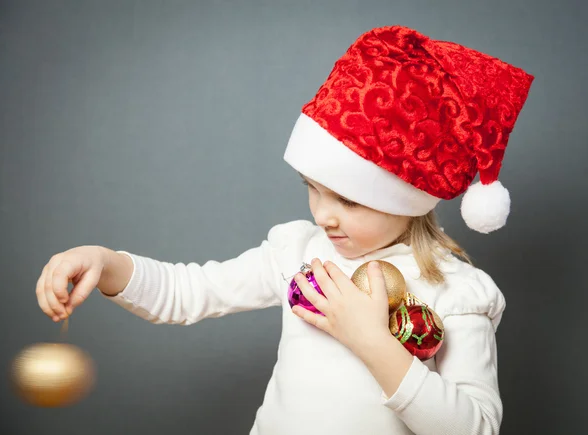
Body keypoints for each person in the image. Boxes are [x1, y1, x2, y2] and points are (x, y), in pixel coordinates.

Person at [35, 25, 534, 435]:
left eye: (349, 199)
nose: (323, 215)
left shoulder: (459, 291)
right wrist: (106, 263)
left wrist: (372, 341)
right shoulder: (298, 250)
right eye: (313, 189)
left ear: (407, 198)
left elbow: (477, 428)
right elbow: (190, 292)